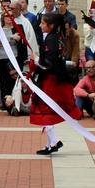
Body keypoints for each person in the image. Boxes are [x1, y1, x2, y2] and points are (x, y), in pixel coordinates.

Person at [29, 10, 80, 155]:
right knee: (46, 109)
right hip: (54, 78)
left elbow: (49, 63)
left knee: (45, 108)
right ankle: (52, 142)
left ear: (51, 25)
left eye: (43, 23)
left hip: (51, 80)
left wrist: (35, 61)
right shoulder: (57, 37)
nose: (40, 25)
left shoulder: (51, 39)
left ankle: (53, 142)